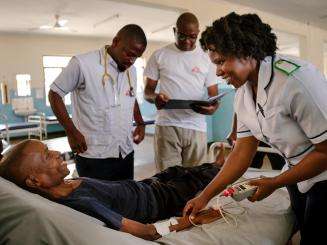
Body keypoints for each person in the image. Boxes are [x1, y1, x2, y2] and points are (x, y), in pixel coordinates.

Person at [183, 13, 327, 245]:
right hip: (297, 172)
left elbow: (326, 151)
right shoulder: (243, 93)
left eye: (221, 61)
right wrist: (205, 196)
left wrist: (274, 182)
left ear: (246, 51)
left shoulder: (296, 81)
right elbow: (242, 151)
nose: (218, 72)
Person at [0, 140, 224, 240]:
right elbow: (147, 231)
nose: (58, 153)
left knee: (179, 169)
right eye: (47, 155)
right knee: (197, 179)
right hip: (159, 199)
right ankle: (222, 167)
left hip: (147, 184)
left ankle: (216, 164)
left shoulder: (66, 184)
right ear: (34, 181)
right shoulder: (80, 202)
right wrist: (197, 219)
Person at [49, 24, 147, 181]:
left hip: (125, 151)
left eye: (136, 57)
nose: (131, 60)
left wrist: (140, 122)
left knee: (125, 200)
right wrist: (71, 131)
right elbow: (55, 94)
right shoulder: (83, 64)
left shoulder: (132, 70)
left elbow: (130, 96)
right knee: (97, 203)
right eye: (129, 54)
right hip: (94, 155)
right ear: (115, 42)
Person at [144, 12, 219, 171]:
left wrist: (213, 108)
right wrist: (156, 98)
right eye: (182, 36)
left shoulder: (206, 58)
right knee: (166, 180)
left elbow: (214, 95)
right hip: (167, 125)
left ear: (198, 33)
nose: (187, 41)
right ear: (174, 31)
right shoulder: (159, 55)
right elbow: (148, 92)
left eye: (192, 37)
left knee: (195, 179)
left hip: (196, 126)